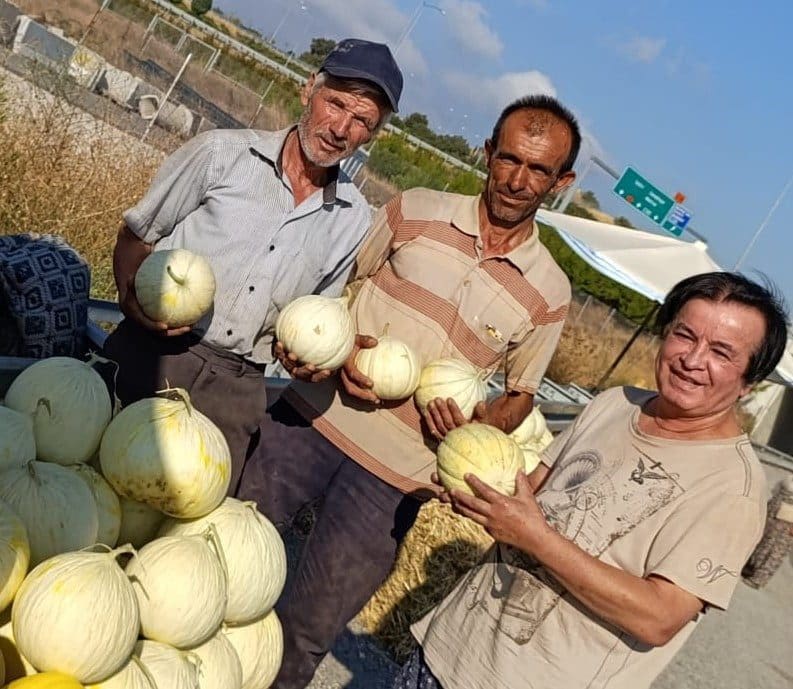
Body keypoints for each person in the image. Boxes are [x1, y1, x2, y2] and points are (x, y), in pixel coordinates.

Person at [237, 94, 581, 689]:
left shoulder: (549, 290)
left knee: (306, 630)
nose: (518, 180)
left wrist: (479, 421)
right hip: (308, 421)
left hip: (395, 481)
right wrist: (340, 345)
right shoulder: (415, 210)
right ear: (487, 154)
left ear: (561, 181)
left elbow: (520, 396)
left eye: (539, 170)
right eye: (508, 159)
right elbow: (339, 288)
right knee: (224, 564)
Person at [393, 272, 788, 689]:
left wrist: (537, 538)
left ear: (749, 383)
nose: (692, 359)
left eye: (721, 353)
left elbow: (659, 618)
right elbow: (528, 494)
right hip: (446, 650)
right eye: (684, 335)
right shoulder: (613, 404)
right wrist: (468, 451)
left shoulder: (733, 488)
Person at [103, 39, 402, 493]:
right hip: (153, 354)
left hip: (238, 391)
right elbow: (137, 234)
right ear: (309, 90)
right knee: (96, 480)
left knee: (182, 529)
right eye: (336, 102)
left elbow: (314, 318)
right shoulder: (221, 154)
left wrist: (311, 362)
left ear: (372, 136)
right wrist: (129, 298)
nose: (341, 127)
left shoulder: (353, 218)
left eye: (362, 120)